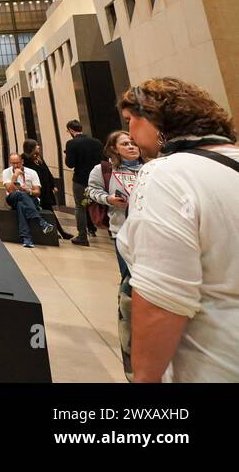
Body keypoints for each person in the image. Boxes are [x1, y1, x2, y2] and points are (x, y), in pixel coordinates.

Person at [117, 78, 239, 382]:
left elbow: (163, 297)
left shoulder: (167, 174)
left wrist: (145, 378)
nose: (130, 133)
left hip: (212, 363)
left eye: (130, 121)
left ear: (153, 120)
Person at [87, 129, 146, 381]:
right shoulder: (104, 170)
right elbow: (91, 192)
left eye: (133, 142)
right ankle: (137, 335)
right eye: (125, 143)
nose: (132, 146)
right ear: (114, 148)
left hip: (151, 231)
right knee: (130, 282)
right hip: (123, 231)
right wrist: (109, 199)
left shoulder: (152, 167)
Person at [0, 153, 56, 248]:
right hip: (13, 197)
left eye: (17, 163)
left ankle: (27, 239)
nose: (15, 165)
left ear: (22, 161)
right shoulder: (6, 172)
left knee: (21, 205)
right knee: (19, 194)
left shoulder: (32, 172)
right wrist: (14, 176)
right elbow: (10, 190)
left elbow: (37, 192)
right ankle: (41, 221)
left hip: (30, 198)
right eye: (12, 163)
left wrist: (28, 191)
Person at [64, 119, 104, 246]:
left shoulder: (71, 143)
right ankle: (108, 231)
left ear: (70, 130)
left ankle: (82, 236)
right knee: (100, 203)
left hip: (80, 179)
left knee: (80, 207)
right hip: (97, 179)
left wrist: (67, 154)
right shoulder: (96, 142)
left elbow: (70, 164)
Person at [23, 139, 72, 240]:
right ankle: (59, 232)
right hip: (35, 189)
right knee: (46, 210)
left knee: (48, 210)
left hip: (45, 189)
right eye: (36, 145)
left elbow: (47, 171)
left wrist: (52, 184)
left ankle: (58, 231)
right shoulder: (25, 159)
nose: (38, 147)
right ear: (31, 147)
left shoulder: (38, 158)